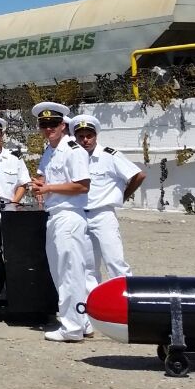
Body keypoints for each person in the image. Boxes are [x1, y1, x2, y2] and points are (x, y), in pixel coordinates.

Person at [30, 101, 94, 343]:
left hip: (69, 215)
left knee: (69, 273)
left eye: (53, 124)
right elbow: (42, 176)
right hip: (55, 214)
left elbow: (82, 185)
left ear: (63, 125)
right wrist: (38, 184)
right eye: (44, 125)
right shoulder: (50, 151)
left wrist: (48, 187)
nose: (49, 129)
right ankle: (83, 321)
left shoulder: (73, 150)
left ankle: (71, 327)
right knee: (66, 272)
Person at [70, 115, 145, 283]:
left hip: (103, 214)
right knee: (88, 265)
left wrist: (122, 196)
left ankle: (125, 301)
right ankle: (92, 304)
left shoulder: (109, 156)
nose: (85, 140)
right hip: (81, 215)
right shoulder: (74, 157)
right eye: (81, 136)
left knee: (115, 261)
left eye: (89, 136)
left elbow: (138, 175)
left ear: (96, 136)